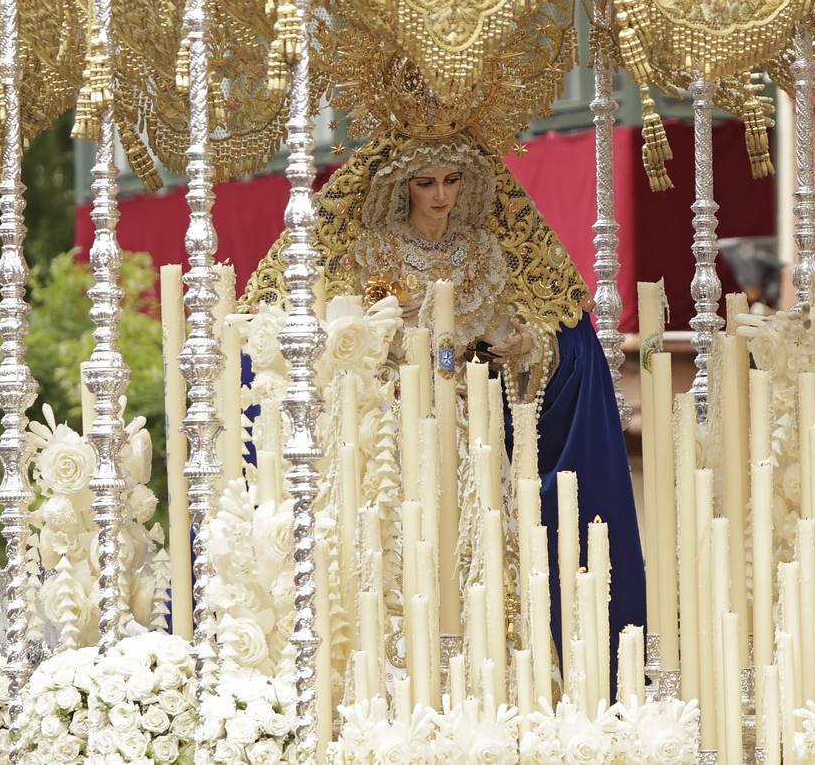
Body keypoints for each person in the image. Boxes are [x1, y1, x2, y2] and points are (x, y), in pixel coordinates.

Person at [243, 129, 645, 671]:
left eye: (452, 181)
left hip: (468, 419)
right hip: (396, 421)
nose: (440, 195)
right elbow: (342, 336)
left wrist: (524, 344)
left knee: (485, 536)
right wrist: (383, 326)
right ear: (401, 186)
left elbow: (522, 330)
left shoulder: (482, 250)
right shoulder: (378, 249)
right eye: (426, 182)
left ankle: (495, 660)